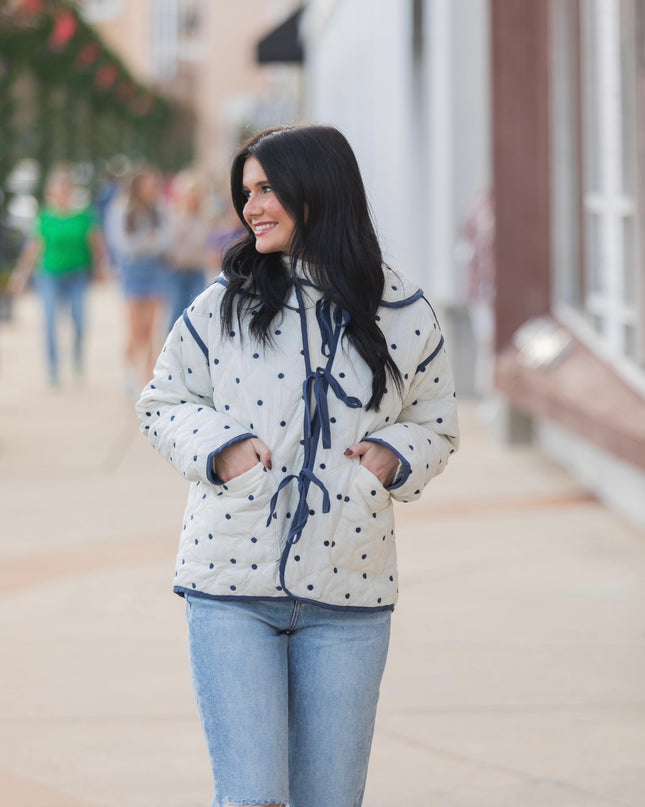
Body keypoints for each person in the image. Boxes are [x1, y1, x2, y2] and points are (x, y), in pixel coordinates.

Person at [136, 124, 459, 807]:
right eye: (245, 191)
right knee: (253, 795)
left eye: (267, 188)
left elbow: (435, 420)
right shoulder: (223, 305)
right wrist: (221, 450)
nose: (251, 206)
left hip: (349, 595)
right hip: (228, 586)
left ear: (319, 190)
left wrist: (388, 459)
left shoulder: (401, 310)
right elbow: (162, 401)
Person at [7, 163, 104, 385]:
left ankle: (77, 356)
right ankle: (53, 369)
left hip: (77, 275)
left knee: (79, 320)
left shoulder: (83, 216)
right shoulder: (45, 218)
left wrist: (100, 266)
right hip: (49, 276)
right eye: (58, 190)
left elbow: (96, 243)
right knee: (49, 322)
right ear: (52, 193)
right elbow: (33, 249)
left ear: (70, 191)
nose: (62, 194)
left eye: (65, 189)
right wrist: (20, 276)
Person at [108, 164, 172, 392]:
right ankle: (129, 371)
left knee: (154, 328)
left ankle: (147, 377)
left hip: (156, 271)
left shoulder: (160, 208)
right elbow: (124, 246)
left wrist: (145, 242)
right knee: (136, 329)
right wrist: (149, 241)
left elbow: (167, 239)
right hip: (133, 272)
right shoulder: (122, 209)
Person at [166, 170, 212, 328]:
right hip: (177, 272)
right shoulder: (173, 216)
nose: (192, 197)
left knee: (196, 315)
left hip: (197, 271)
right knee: (175, 315)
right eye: (189, 193)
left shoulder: (204, 219)